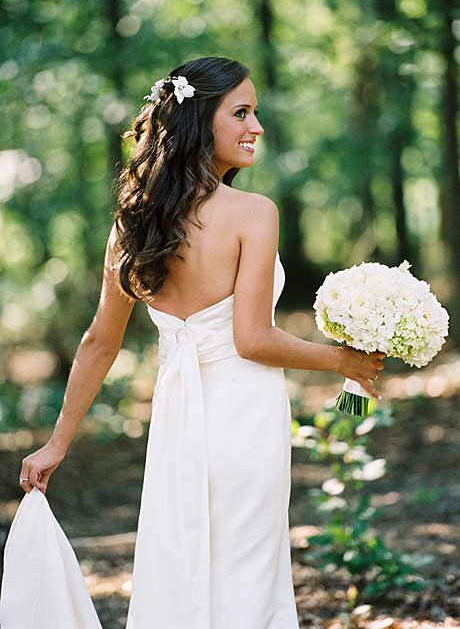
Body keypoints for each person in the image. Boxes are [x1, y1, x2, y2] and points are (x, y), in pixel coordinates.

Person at [18, 56, 384, 628]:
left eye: (255, 113)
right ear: (197, 123)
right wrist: (344, 360)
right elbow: (253, 339)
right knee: (248, 572)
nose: (256, 127)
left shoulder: (134, 222)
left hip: (178, 421)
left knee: (182, 565)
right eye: (240, 112)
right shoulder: (254, 213)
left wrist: (55, 446)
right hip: (244, 418)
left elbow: (98, 343)